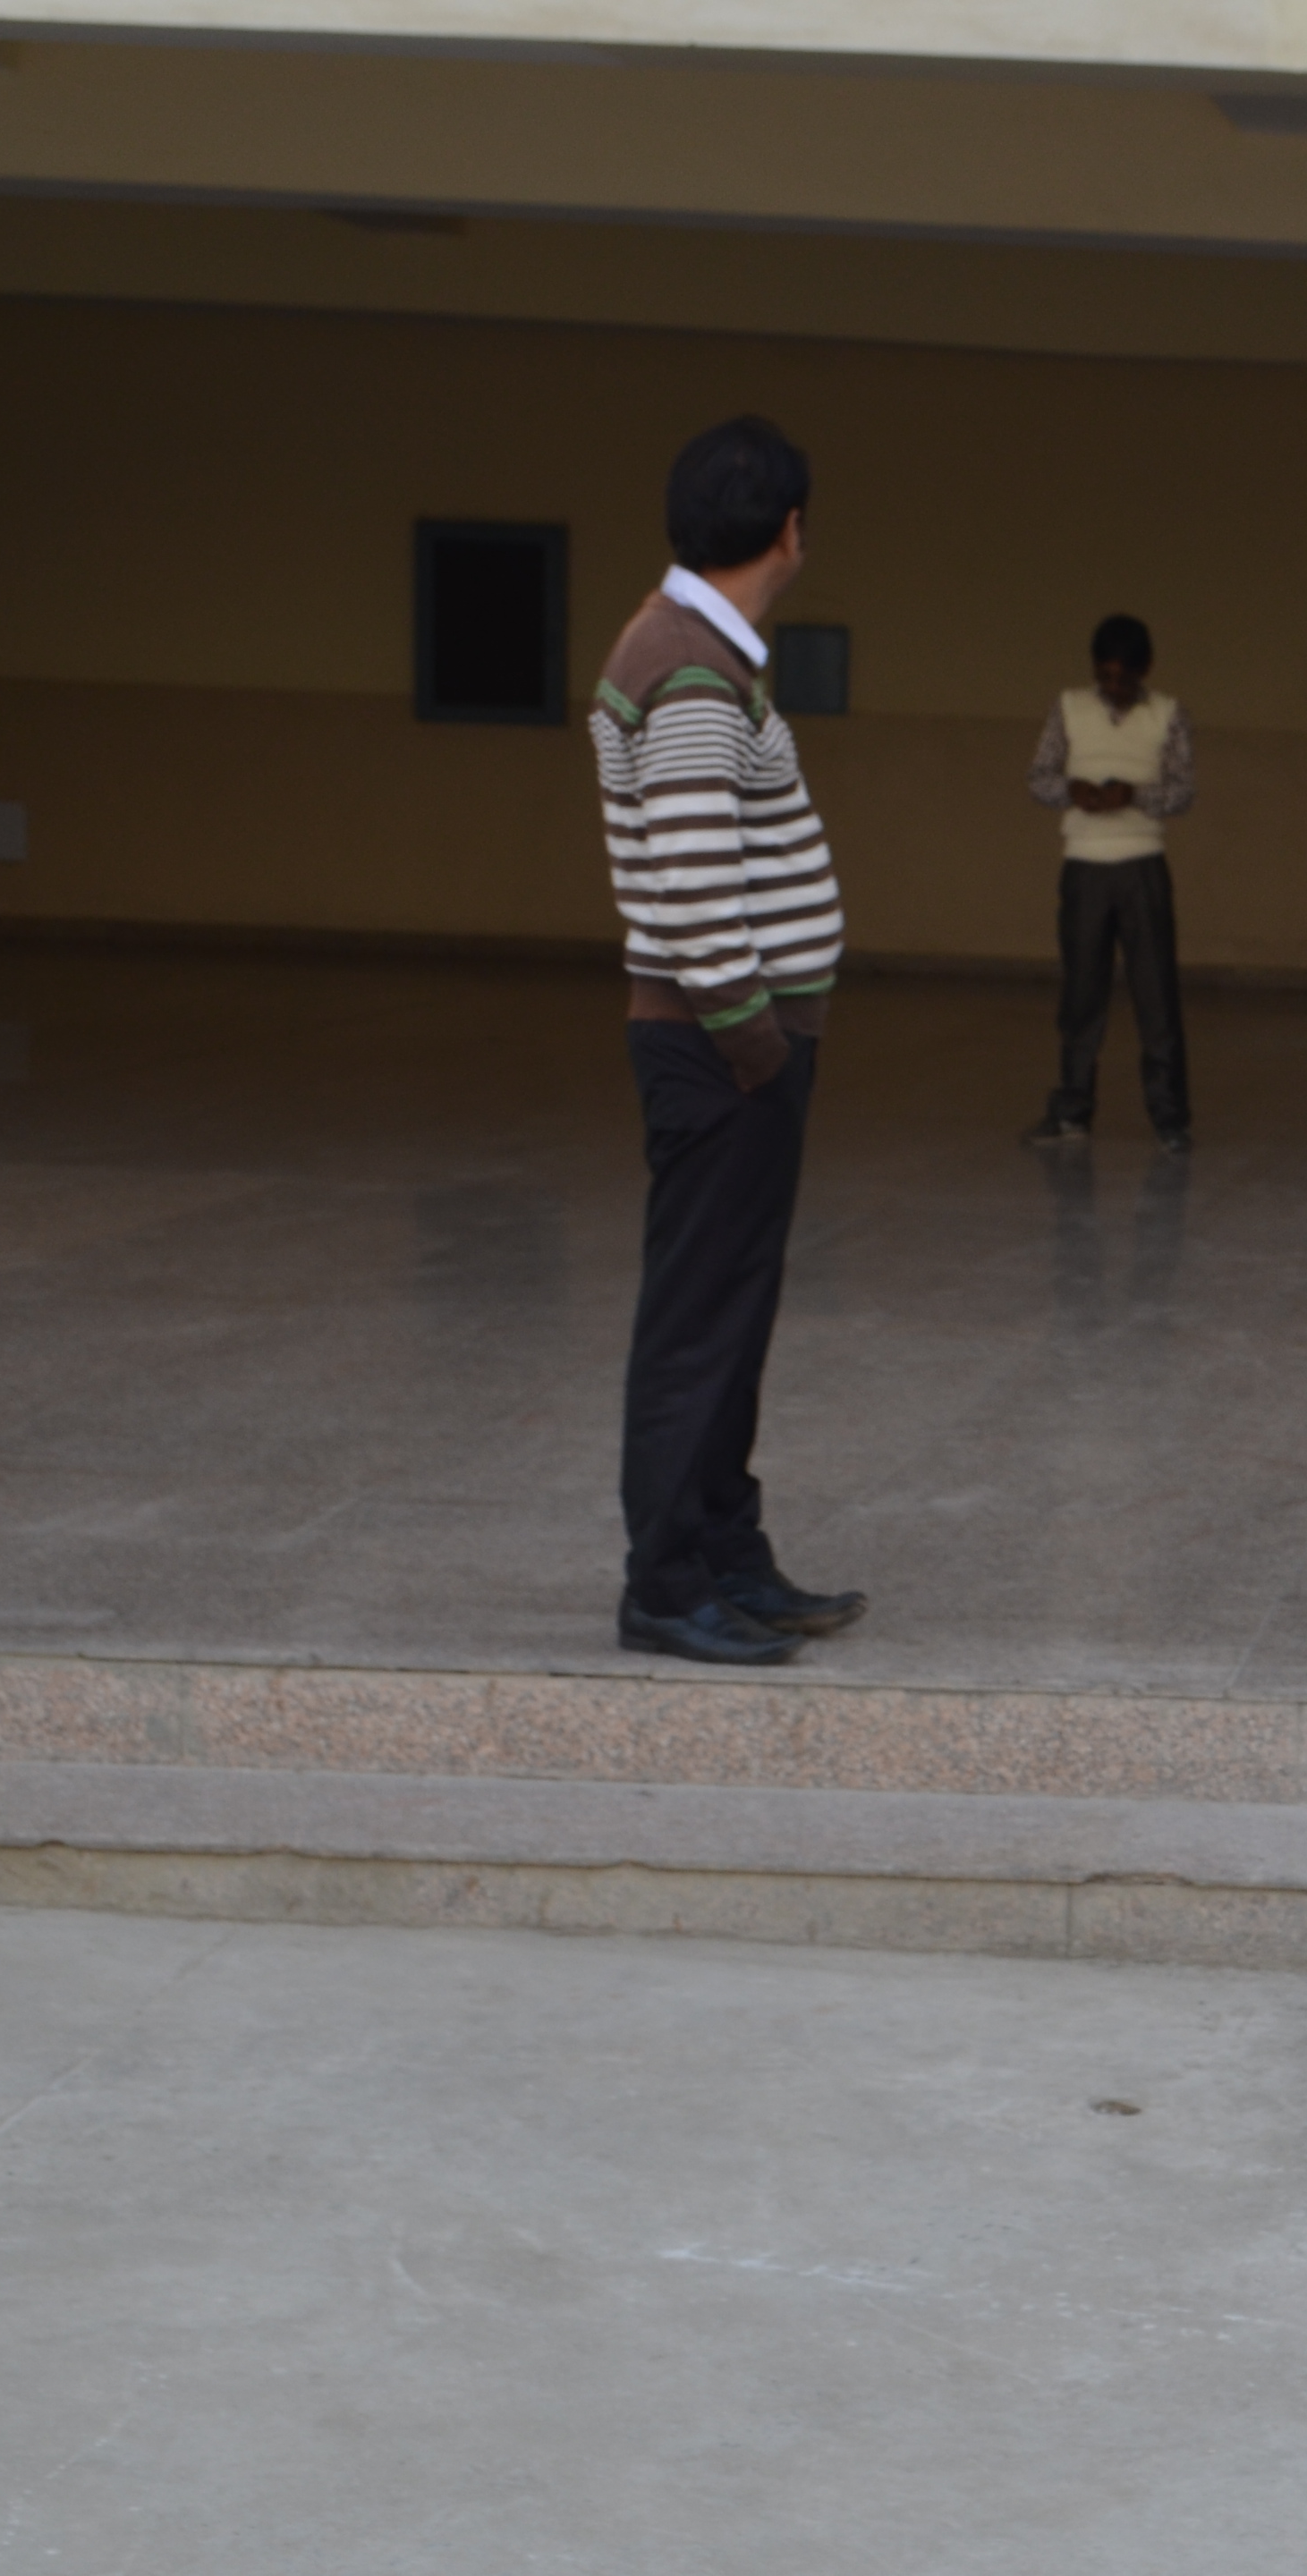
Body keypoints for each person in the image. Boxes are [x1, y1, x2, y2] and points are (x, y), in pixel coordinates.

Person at [588, 412, 866, 1667]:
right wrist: (757, 1044)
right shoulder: (690, 666)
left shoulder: (694, 647)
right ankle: (664, 1583)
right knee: (700, 1320)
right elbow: (695, 884)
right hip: (721, 1051)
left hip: (735, 1045)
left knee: (732, 1312)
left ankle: (723, 1553)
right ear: (790, 532)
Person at [1019, 612, 1197, 1149]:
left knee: (1156, 997)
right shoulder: (1069, 707)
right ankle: (1072, 1112)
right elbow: (1039, 777)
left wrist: (1134, 796)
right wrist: (1072, 790)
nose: (1113, 688)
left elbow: (1182, 792)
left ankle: (1170, 1120)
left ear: (1146, 670)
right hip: (1084, 869)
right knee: (1081, 996)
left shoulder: (1168, 714)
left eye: (1124, 678)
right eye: (1105, 676)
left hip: (1143, 868)